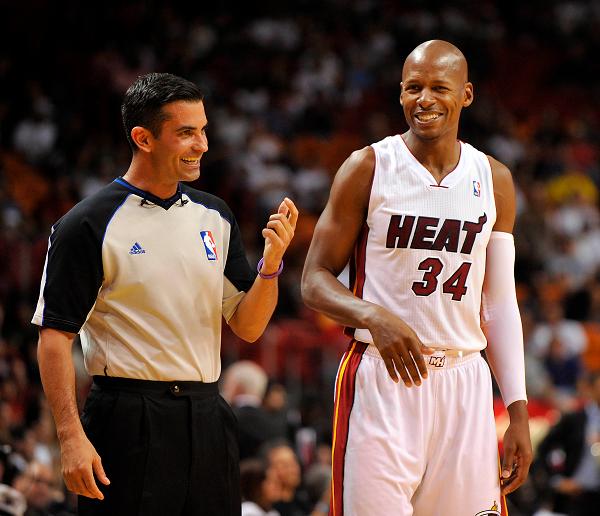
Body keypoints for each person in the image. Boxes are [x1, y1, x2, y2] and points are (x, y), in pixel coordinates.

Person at [31, 73, 298, 516]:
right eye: (186, 133)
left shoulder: (216, 215)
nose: (202, 145)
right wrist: (70, 437)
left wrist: (270, 266)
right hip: (127, 418)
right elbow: (54, 339)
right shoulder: (87, 224)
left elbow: (249, 326)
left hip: (207, 413)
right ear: (143, 138)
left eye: (204, 130)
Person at [301, 40, 532, 515]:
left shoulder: (494, 179)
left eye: (439, 88)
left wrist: (518, 409)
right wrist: (371, 315)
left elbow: (499, 305)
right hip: (384, 379)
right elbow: (314, 279)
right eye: (413, 88)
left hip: (466, 382)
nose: (424, 99)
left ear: (466, 95)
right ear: (401, 93)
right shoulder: (368, 166)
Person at [532, 371, 600, 515]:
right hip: (575, 495)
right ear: (591, 389)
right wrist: (556, 480)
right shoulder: (575, 418)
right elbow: (544, 447)